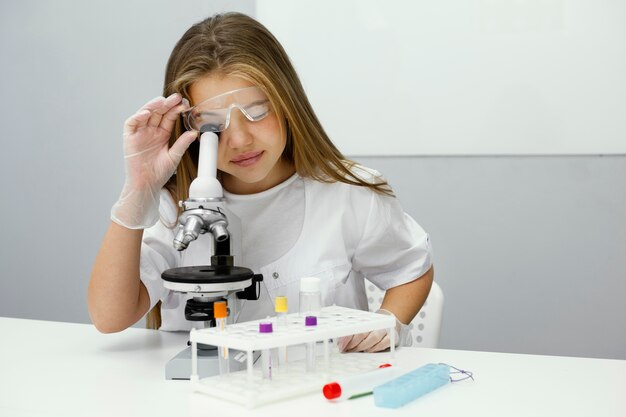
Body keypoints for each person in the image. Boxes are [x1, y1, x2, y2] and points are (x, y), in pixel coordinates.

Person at [88, 12, 433, 353]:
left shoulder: (348, 193)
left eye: (257, 111)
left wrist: (389, 322)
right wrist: (138, 189)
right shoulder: (176, 207)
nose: (238, 139)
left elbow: (410, 269)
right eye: (212, 124)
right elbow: (109, 317)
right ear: (190, 128)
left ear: (286, 103)